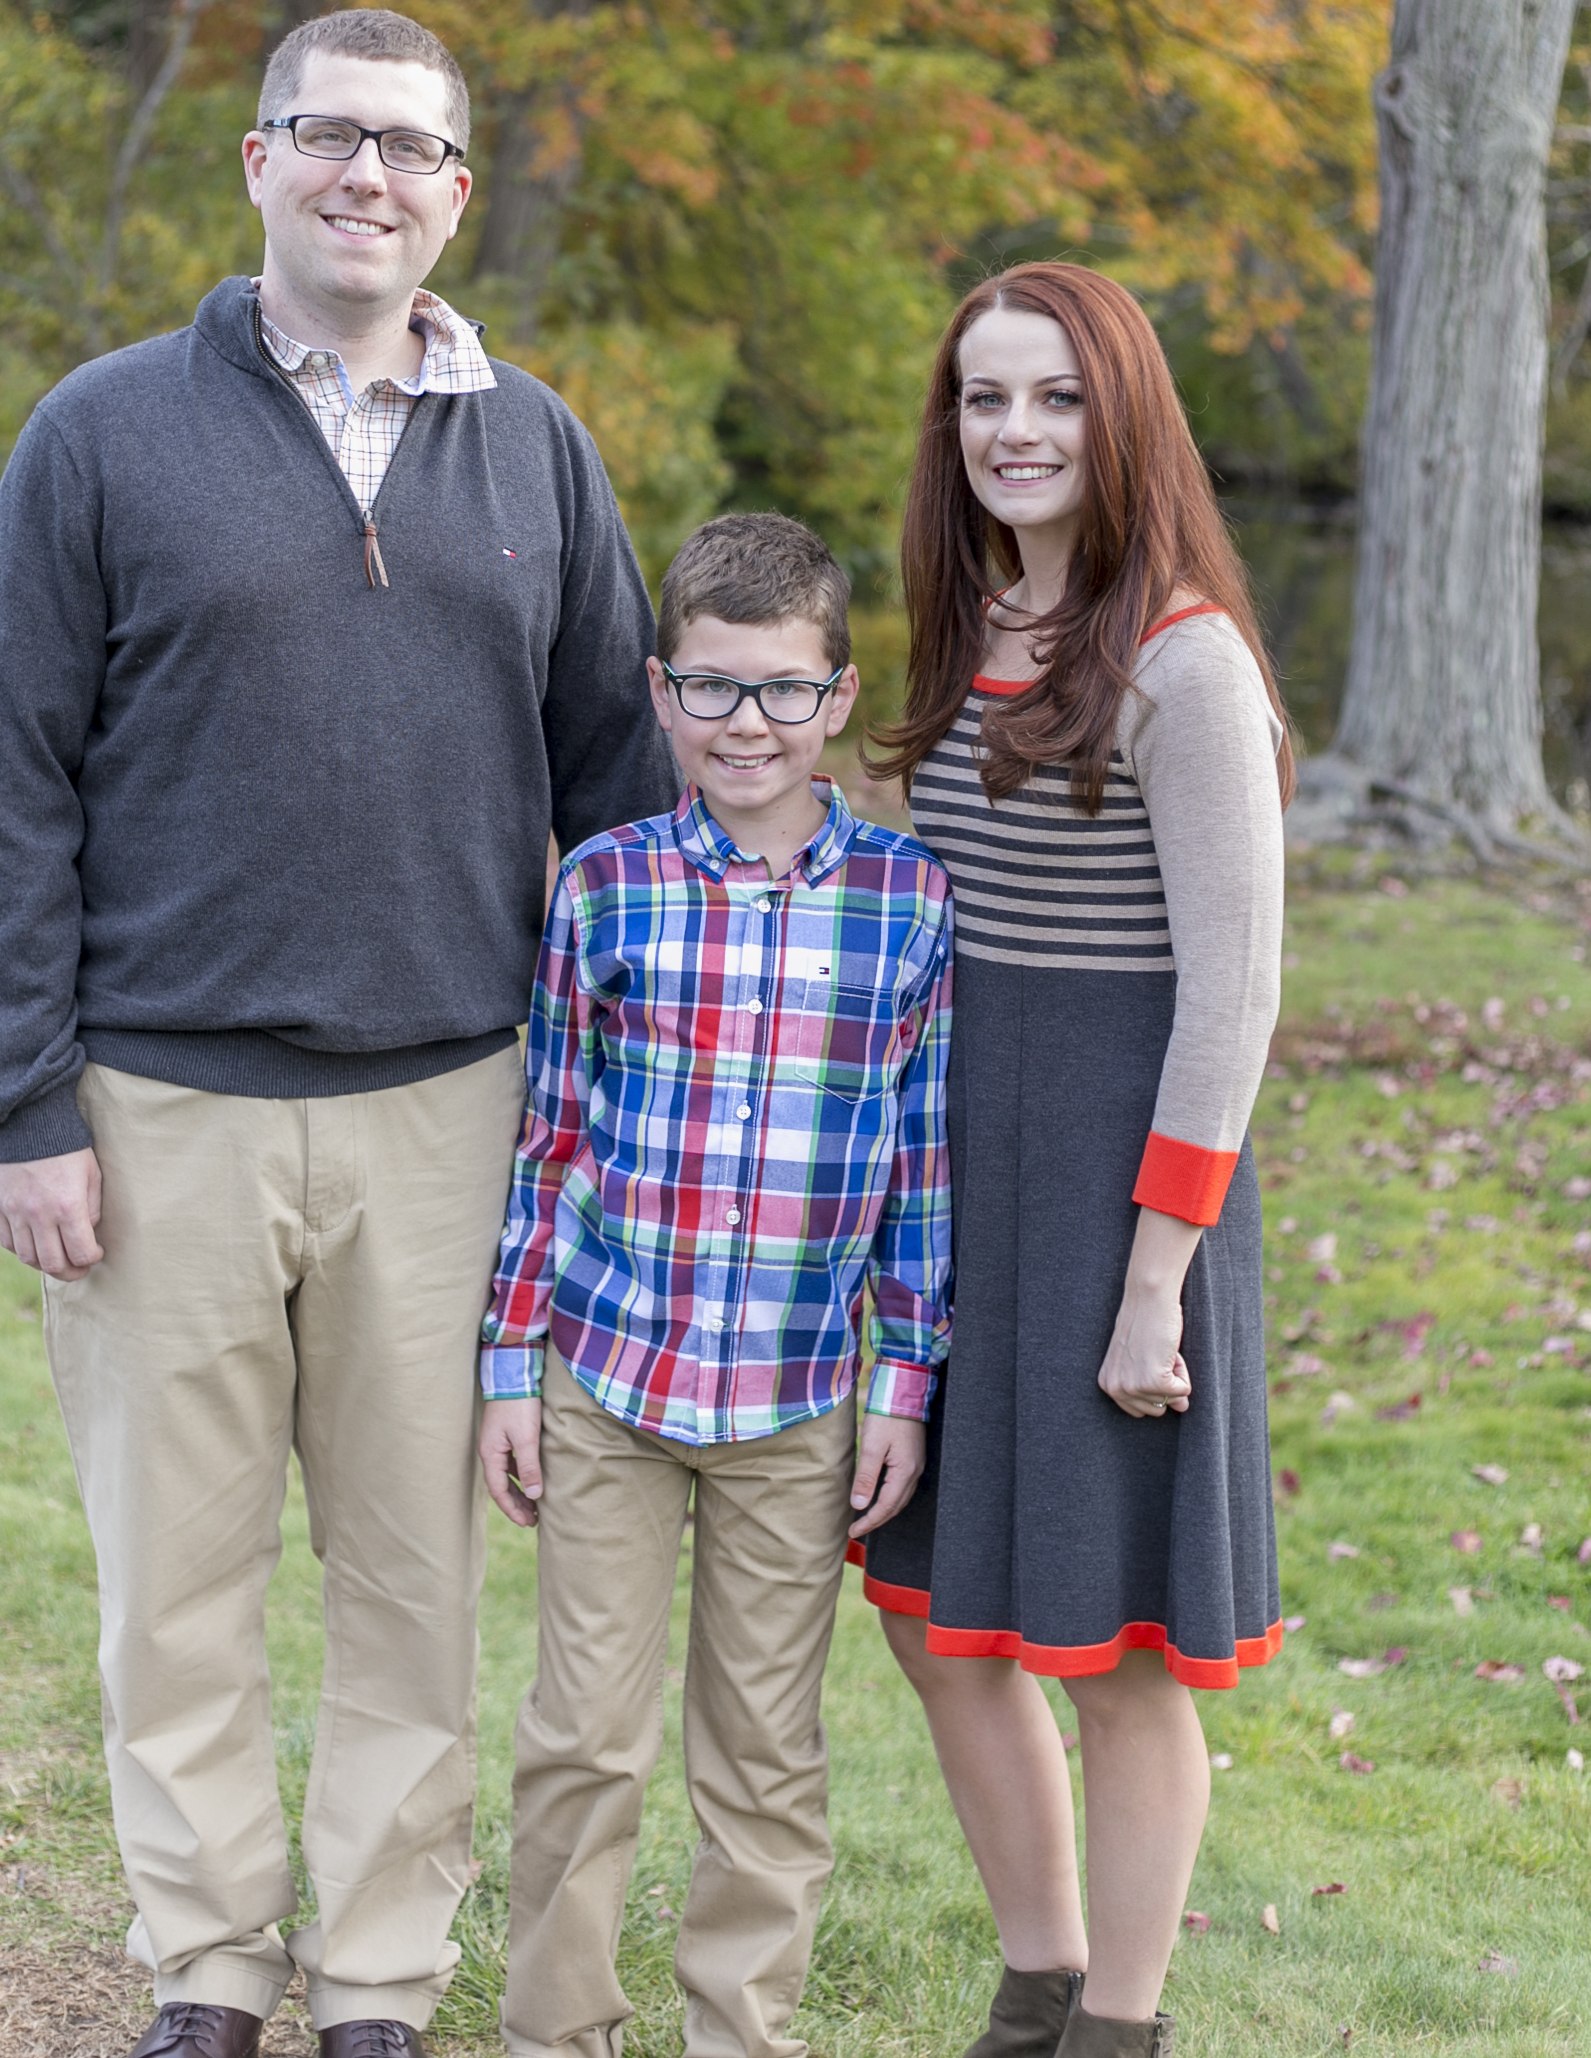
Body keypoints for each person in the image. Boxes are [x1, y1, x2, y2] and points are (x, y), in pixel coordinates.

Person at [0, 7, 677, 2058]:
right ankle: (206, 1967)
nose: (370, 177)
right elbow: (12, 783)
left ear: (455, 191)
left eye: (411, 149)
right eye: (331, 137)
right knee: (173, 1587)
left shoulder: (533, 447)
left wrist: (615, 1096)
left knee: (410, 1585)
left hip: (456, 1106)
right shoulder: (99, 435)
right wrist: (22, 1101)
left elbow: (614, 780)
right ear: (257, 162)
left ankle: (369, 1977)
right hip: (158, 1099)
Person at [860, 265, 1291, 2058]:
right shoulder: (970, 630)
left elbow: (1237, 994)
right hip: (973, 1173)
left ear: (1125, 423)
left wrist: (1151, 1285)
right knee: (934, 1612)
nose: (1016, 434)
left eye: (1056, 400)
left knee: (1114, 1655)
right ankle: (1034, 1982)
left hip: (1128, 1193)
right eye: (983, 399)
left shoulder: (1183, 659)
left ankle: (1119, 2026)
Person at [474, 512, 953, 2058]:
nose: (749, 725)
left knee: (765, 1753)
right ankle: (559, 2029)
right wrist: (507, 1366)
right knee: (582, 1741)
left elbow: (919, 1169)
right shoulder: (605, 886)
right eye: (715, 689)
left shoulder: (908, 901)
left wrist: (905, 1381)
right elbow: (547, 1140)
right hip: (608, 1377)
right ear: (662, 694)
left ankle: (741, 2032)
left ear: (838, 697)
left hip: (801, 1398)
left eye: (785, 692)